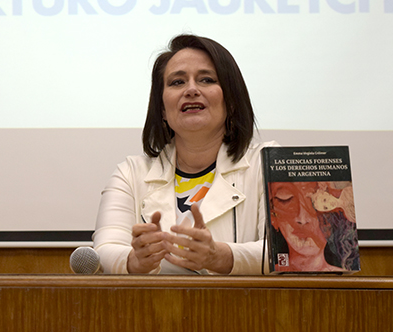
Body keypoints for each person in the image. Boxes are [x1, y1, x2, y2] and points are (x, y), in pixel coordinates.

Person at [93, 34, 276, 275]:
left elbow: (287, 252)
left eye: (206, 79)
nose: (191, 89)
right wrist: (134, 261)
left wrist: (220, 256)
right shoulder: (130, 174)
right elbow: (104, 250)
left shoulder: (268, 163)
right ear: (162, 109)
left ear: (231, 101)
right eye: (177, 82)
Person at [269, 181, 358, 272]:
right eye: (285, 198)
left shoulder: (345, 278)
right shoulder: (268, 274)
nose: (302, 219)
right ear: (272, 217)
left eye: (316, 205)